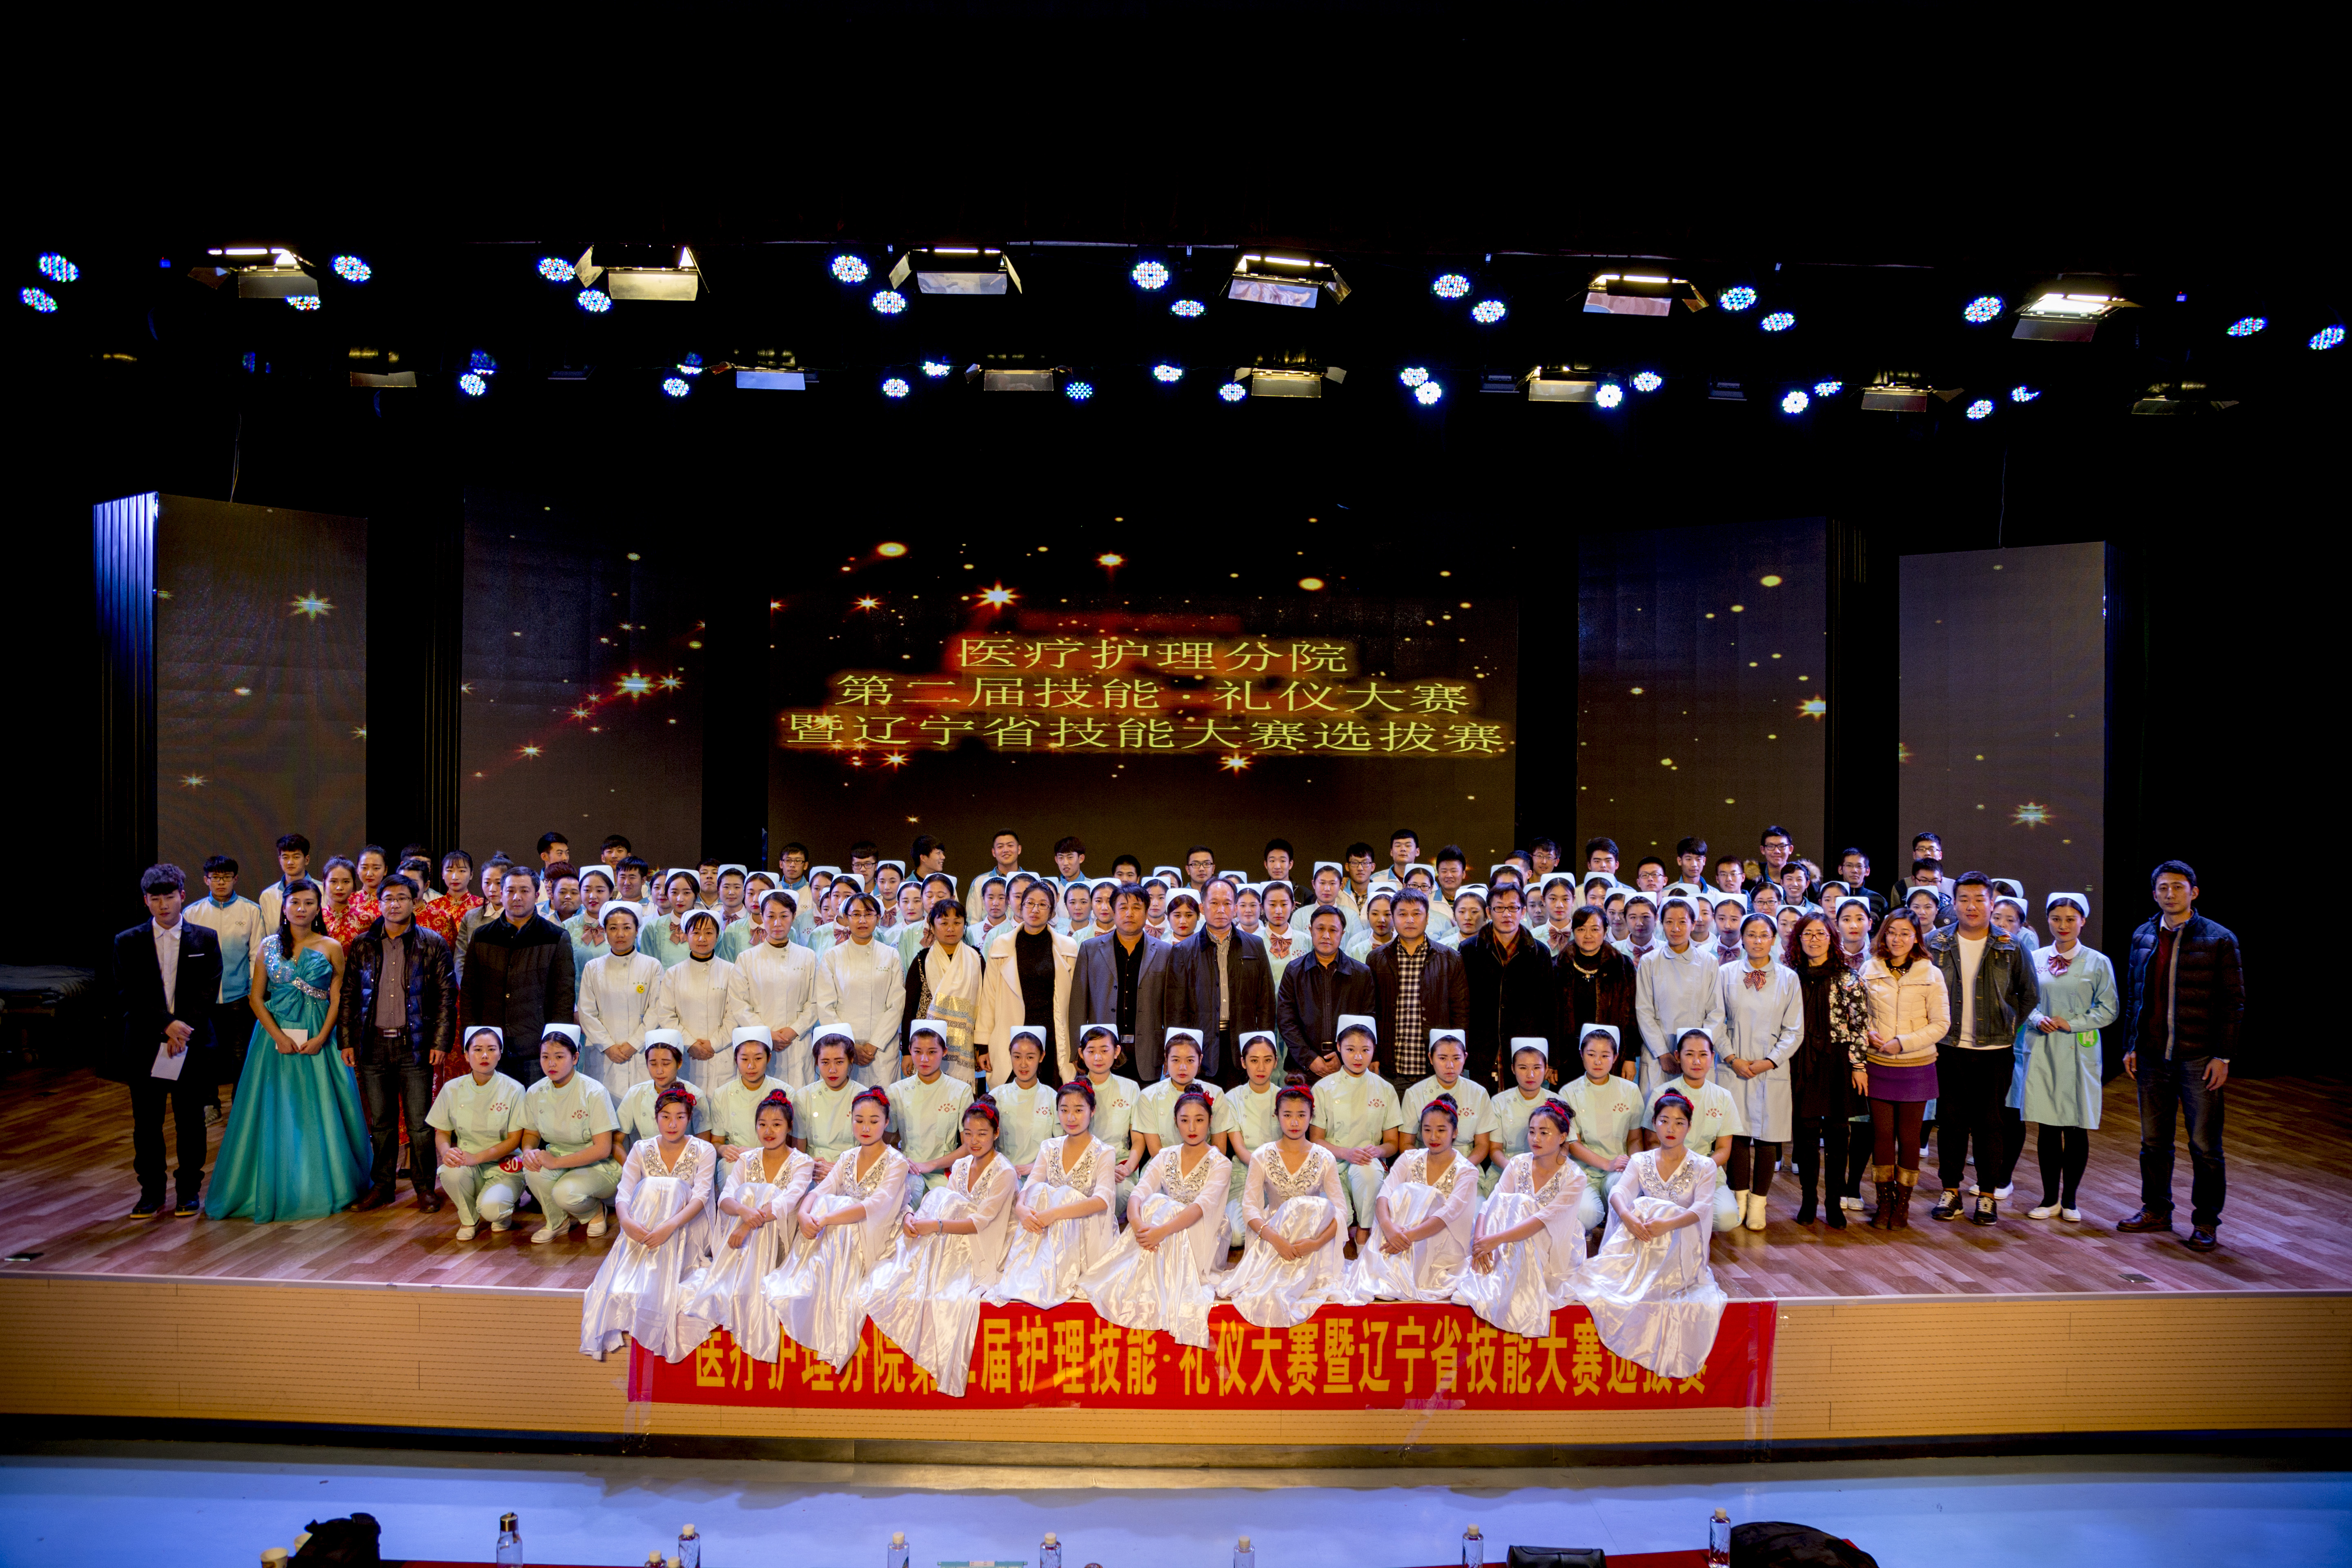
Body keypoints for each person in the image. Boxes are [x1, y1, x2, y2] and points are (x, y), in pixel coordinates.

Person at [2117, 860, 2245, 1253]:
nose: (2170, 894)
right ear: (2154, 893)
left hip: (2198, 1057)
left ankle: (2206, 1221)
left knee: (2205, 1146)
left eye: (2177, 887)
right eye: (2163, 888)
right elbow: (2135, 996)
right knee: (2154, 1141)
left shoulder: (2219, 939)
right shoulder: (2143, 935)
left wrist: (2223, 1056)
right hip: (2152, 1055)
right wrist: (2131, 1045)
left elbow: (2233, 1003)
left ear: (2194, 892)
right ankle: (2156, 1209)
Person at [864, 1100, 1019, 1397]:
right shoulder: (960, 1166)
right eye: (968, 1134)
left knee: (942, 1203)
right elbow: (950, 1205)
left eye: (982, 1134)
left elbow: (980, 1223)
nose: (974, 1141)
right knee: (939, 1198)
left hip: (987, 1240)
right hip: (952, 1234)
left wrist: (935, 1225)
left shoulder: (1005, 1172)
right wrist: (922, 1220)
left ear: (996, 1134)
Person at [1576, 1089, 1729, 1379]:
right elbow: (1619, 1192)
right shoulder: (1641, 1161)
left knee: (1660, 1209)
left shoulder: (1704, 1165)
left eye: (1679, 1123)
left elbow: (1701, 1209)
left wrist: (1668, 1225)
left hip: (1680, 1241)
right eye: (1664, 1121)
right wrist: (1627, 1216)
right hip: (1645, 1237)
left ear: (1689, 1127)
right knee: (1640, 1207)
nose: (1671, 1129)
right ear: (1654, 1124)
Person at [110, 864, 227, 1218]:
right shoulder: (127, 941)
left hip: (192, 1044)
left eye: (170, 897)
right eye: (156, 899)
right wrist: (167, 1025)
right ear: (146, 901)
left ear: (183, 897)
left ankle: (189, 1191)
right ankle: (151, 1192)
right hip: (145, 1044)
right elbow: (127, 994)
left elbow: (209, 989)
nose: (164, 905)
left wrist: (183, 1029)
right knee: (147, 1124)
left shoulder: (205, 938)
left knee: (191, 1121)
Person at [1923, 873, 2039, 1225]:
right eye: (1964, 899)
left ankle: (1987, 1194)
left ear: (1992, 903)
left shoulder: (2011, 945)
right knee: (1951, 1122)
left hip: (1996, 1049)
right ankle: (1950, 1191)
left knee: (1991, 1123)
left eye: (1979, 900)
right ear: (1954, 903)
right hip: (1949, 1046)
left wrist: (2007, 1025)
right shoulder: (1935, 942)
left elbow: (2030, 993)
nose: (1971, 907)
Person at [765, 1086, 909, 1370]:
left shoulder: (897, 1162)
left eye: (874, 1121)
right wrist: (804, 1214)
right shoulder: (848, 1157)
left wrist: (826, 1219)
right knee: (825, 1203)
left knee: (835, 1210)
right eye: (859, 1120)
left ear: (886, 1122)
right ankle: (813, 1283)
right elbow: (821, 1190)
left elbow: (875, 1206)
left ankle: (830, 1296)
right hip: (840, 1230)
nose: (865, 1128)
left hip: (874, 1230)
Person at [1077, 1087, 1232, 1349]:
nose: (1192, 1127)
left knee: (1163, 1206)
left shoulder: (1221, 1163)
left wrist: (1160, 1232)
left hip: (1201, 1232)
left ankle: (1151, 1288)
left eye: (1199, 1120)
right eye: (1185, 1120)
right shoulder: (1165, 1156)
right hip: (1157, 1234)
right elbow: (1138, 1194)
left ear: (1210, 1121)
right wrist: (1138, 1226)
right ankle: (1146, 1285)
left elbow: (1200, 1208)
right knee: (1154, 1203)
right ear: (1175, 1122)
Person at [338, 873, 456, 1213]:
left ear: (414, 902)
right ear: (379, 903)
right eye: (388, 898)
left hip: (414, 1046)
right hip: (373, 1045)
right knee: (381, 1124)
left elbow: (447, 997)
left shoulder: (432, 943)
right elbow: (349, 996)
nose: (395, 904)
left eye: (402, 898)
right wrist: (347, 1040)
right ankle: (383, 1187)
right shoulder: (363, 944)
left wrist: (441, 1042)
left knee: (420, 1124)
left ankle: (425, 1188)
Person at [580, 1085, 714, 1364]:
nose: (672, 1124)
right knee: (650, 1187)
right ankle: (639, 1265)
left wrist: (669, 1227)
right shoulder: (641, 1149)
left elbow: (701, 1197)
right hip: (645, 1227)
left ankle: (661, 1272)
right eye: (666, 1117)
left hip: (687, 1227)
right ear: (656, 1118)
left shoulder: (705, 1149)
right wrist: (626, 1222)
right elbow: (625, 1193)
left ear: (689, 1118)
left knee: (673, 1187)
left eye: (680, 1117)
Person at [677, 1089, 813, 1365]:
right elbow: (726, 1199)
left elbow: (787, 1202)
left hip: (781, 1240)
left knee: (766, 1193)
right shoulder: (746, 1160)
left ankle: (752, 1277)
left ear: (789, 1127)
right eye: (763, 1124)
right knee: (747, 1193)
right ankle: (738, 1277)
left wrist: (745, 1227)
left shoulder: (802, 1162)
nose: (769, 1131)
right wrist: (744, 1214)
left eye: (777, 1125)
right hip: (742, 1239)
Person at [2013, 892, 2120, 1223]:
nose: (2063, 925)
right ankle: (2049, 1199)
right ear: (2047, 920)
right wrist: (2036, 1019)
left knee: (2075, 1125)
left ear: (2083, 922)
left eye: (2071, 919)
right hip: (2042, 1047)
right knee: (2047, 1126)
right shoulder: (2035, 957)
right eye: (2056, 919)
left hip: (2078, 1049)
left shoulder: (2098, 962)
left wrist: (2072, 1023)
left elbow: (2109, 1009)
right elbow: (2023, 998)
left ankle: (2070, 1199)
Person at [1219, 1080, 1354, 1328]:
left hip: (1311, 1238)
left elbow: (1341, 1210)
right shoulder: (1262, 1155)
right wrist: (1276, 1240)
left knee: (1320, 1210)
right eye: (1288, 1115)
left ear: (1311, 1117)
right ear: (1277, 1116)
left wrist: (1316, 1244)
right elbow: (1250, 1208)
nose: (1294, 1122)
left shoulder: (1324, 1157)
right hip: (1273, 1235)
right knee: (1266, 1293)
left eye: (1301, 1115)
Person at [1455, 1102, 1590, 1339]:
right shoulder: (1518, 1164)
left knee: (1521, 1204)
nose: (1535, 1139)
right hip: (1509, 1240)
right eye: (1532, 1131)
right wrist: (1480, 1241)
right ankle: (1487, 1279)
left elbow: (1542, 1220)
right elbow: (1490, 1204)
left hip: (1552, 1246)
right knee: (1505, 1203)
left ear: (1563, 1137)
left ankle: (1513, 1289)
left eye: (1544, 1133)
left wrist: (1495, 1240)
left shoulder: (1575, 1177)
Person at [986, 1079, 1120, 1310]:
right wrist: (1021, 1208)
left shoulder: (1104, 1152)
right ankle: (1034, 1277)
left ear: (1092, 1111)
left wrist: (1055, 1214)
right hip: (1047, 1226)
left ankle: (1059, 1277)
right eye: (1064, 1110)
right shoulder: (1050, 1147)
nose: (1071, 1118)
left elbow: (1102, 1201)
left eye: (1079, 1110)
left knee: (1065, 1195)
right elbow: (1031, 1184)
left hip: (1085, 1228)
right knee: (1038, 1192)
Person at [1856, 909, 1948, 1229]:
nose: (1897, 939)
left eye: (1905, 933)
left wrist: (1902, 1042)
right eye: (1892, 932)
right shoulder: (1869, 968)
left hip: (1916, 1065)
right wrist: (1868, 1032)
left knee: (1909, 1139)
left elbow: (1941, 1024)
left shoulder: (1931, 974)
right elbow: (1860, 1014)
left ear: (1916, 938)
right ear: (1883, 934)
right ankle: (1884, 1203)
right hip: (1878, 1063)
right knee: (1882, 1136)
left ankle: (1903, 1205)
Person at [1714, 912, 1802, 1231]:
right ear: (1742, 939)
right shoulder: (1725, 974)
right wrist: (1732, 1058)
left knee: (1768, 1137)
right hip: (1733, 1066)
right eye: (1751, 935)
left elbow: (1794, 1030)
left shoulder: (1789, 979)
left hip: (1771, 1069)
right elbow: (1715, 1020)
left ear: (1774, 940)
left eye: (1764, 935)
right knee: (1736, 1134)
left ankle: (1758, 1204)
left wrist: (1770, 1061)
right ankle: (1738, 1199)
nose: (1757, 941)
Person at [1346, 1094, 1478, 1303]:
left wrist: (1406, 1238)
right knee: (1402, 1195)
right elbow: (1384, 1196)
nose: (1433, 1137)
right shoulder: (1409, 1158)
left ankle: (1403, 1272)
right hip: (1398, 1235)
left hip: (1441, 1240)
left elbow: (1447, 1216)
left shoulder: (1467, 1171)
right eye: (1427, 1130)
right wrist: (1390, 1229)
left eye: (1441, 1130)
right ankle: (1390, 1272)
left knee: (1428, 1199)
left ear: (1455, 1133)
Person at [1783, 912, 1869, 1229]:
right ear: (1798, 940)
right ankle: (1808, 1200)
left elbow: (1860, 1025)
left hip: (1838, 1059)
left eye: (1821, 934)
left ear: (1832, 938)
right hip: (1800, 1059)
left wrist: (1859, 1065)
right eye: (1808, 934)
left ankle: (1834, 1202)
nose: (1814, 940)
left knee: (1838, 1134)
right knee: (1805, 1133)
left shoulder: (1849, 978)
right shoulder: (1789, 976)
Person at [461, 864, 577, 1087]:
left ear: (537, 895)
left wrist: (556, 1046)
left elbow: (563, 998)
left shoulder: (555, 937)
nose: (517, 897)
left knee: (537, 1108)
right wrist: (471, 1038)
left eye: (524, 891)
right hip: (491, 1046)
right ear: (501, 894)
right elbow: (469, 993)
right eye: (511, 891)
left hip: (537, 1048)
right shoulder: (482, 936)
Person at [1160, 878, 1274, 1089]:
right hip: (1201, 1047)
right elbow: (1175, 1011)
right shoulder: (1183, 950)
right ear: (1203, 908)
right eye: (1214, 903)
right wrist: (1180, 1052)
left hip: (1243, 1044)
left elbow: (1266, 1002)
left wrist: (1264, 1046)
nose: (1221, 909)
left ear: (1235, 908)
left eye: (1227, 903)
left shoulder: (1255, 945)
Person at [516, 1029, 622, 1243]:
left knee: (565, 1193)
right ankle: (557, 1222)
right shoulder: (535, 1092)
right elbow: (531, 1133)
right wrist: (528, 1152)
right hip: (557, 1157)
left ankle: (594, 1213)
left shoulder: (593, 1092)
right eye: (545, 1057)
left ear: (575, 1058)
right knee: (533, 1171)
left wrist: (556, 1163)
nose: (551, 1064)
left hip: (596, 1165)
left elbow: (603, 1149)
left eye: (559, 1057)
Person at [1310, 1018, 1403, 1252]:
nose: (1358, 1057)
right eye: (1351, 1050)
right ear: (1339, 1048)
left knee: (1369, 1172)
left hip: (1366, 1161)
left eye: (1365, 1050)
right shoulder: (1323, 1088)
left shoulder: (1385, 1089)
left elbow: (1393, 1143)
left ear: (1374, 1050)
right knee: (1335, 1220)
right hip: (1331, 1161)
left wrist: (1378, 1150)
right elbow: (1316, 1139)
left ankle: (1364, 1230)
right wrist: (1346, 1153)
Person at [425, 1025, 528, 1239]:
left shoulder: (514, 1089)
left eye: (491, 1049)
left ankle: (500, 1211)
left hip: (504, 1166)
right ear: (466, 1055)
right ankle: (469, 1219)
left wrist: (477, 1158)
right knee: (449, 1171)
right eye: (478, 1050)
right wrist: (446, 1152)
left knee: (492, 1210)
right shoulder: (452, 1089)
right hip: (467, 1163)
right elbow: (442, 1132)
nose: (485, 1056)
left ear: (500, 1053)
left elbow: (514, 1140)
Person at [182, 855, 263, 1117]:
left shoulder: (251, 911)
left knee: (240, 1055)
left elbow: (256, 955)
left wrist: (253, 991)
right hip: (203, 999)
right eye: (215, 877)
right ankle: (210, 1104)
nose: (221, 882)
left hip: (239, 996)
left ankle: (240, 1105)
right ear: (206, 880)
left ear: (235, 879)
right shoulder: (192, 913)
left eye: (226, 877)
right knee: (206, 1055)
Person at [1643, 1029, 1743, 1233]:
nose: (1697, 1061)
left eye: (1703, 1055)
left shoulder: (1723, 1097)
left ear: (1712, 1057)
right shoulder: (1662, 1093)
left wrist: (1700, 1169)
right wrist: (1673, 1168)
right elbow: (1652, 1142)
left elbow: (1724, 1149)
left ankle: (1689, 1225)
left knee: (1727, 1219)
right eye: (1689, 1054)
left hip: (1705, 1170)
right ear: (1678, 1056)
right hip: (1666, 1170)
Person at [1365, 889, 1467, 1087]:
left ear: (1427, 918)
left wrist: (1456, 1056)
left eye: (1417, 914)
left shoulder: (1450, 959)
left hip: (1436, 1068)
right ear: (1393, 918)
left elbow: (1461, 1012)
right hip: (1390, 1067)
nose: (1410, 920)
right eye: (1403, 914)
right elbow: (1370, 1011)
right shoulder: (1377, 959)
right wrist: (1374, 1055)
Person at [649, 908, 757, 1098]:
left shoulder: (731, 971)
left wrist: (714, 1044)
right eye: (696, 933)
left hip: (722, 1054)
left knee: (723, 1104)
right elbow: (666, 1015)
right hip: (687, 1055)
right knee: (687, 1105)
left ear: (718, 936)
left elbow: (735, 1013)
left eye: (709, 933)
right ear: (686, 935)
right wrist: (690, 1044)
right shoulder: (674, 974)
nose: (702, 939)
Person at [1459, 883, 1555, 1089]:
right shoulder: (1469, 950)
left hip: (1526, 1049)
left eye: (1513, 908)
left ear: (1523, 912)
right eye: (1499, 908)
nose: (1507, 914)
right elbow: (1462, 1004)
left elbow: (1548, 1008)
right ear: (1489, 912)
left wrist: (1550, 1054)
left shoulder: (1540, 952)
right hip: (1482, 1048)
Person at [1275, 904, 1376, 1080]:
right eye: (1320, 929)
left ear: (1342, 934)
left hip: (1349, 1067)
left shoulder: (1362, 974)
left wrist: (1343, 1056)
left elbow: (1368, 1020)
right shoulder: (1294, 971)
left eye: (1333, 930)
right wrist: (1310, 1059)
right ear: (1311, 930)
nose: (1326, 936)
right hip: (1302, 1069)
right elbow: (1286, 1021)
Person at [1635, 900, 1726, 1095]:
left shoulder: (1709, 962)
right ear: (1661, 924)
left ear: (1693, 924)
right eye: (1669, 922)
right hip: (1658, 1053)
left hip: (1697, 1057)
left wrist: (1697, 1052)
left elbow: (1716, 1012)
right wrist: (1662, 1053)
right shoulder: (1649, 961)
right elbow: (1644, 1011)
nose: (1675, 929)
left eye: (1683, 922)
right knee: (1657, 1108)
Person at [579, 901, 666, 1102]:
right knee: (604, 1109)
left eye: (627, 928)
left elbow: (657, 1009)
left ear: (637, 931)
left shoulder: (652, 966)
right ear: (605, 932)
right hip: (603, 1054)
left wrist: (634, 1044)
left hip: (640, 1052)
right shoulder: (593, 968)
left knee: (643, 1108)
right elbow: (586, 1013)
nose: (620, 934)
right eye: (613, 928)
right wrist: (608, 1046)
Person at [735, 891, 820, 1087]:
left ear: (794, 917)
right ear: (762, 917)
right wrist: (766, 1034)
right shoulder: (747, 959)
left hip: (798, 1042)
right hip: (760, 1044)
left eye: (784, 916)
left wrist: (794, 1030)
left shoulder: (808, 957)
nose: (777, 923)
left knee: (799, 1097)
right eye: (771, 916)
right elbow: (739, 1005)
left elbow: (816, 1001)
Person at [1561, 1025, 1641, 1226]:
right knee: (1587, 1217)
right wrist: (1607, 1164)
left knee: (1629, 1199)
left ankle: (1612, 1224)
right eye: (1591, 1054)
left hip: (1618, 1169)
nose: (1598, 1061)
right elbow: (1573, 1144)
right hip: (1583, 1171)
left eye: (1605, 1056)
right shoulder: (1568, 1093)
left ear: (1615, 1058)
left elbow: (1635, 1138)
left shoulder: (1630, 1091)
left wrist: (1634, 1166)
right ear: (1581, 1054)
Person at [887, 1022, 976, 1199]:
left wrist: (931, 1165)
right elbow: (886, 1142)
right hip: (908, 1170)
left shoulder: (961, 1091)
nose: (924, 1059)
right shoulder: (897, 1091)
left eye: (932, 1052)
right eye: (918, 1052)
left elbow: (969, 1146)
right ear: (909, 1051)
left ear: (944, 1052)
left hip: (946, 1174)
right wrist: (903, 1162)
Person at [902, 897, 985, 1083]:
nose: (951, 929)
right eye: (944, 923)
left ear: (964, 925)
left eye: (957, 923)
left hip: (967, 1045)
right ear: (932, 926)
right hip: (927, 1045)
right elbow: (910, 1009)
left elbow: (986, 1005)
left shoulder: (976, 959)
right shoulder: (922, 961)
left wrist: (983, 1048)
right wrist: (907, 1052)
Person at [1559, 906, 1641, 1086]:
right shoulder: (1559, 966)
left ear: (1605, 931)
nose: (1588, 935)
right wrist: (1553, 1061)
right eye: (1581, 929)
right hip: (1568, 1057)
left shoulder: (1622, 966)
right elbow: (1550, 1018)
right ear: (1573, 932)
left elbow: (1632, 1015)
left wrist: (1629, 1058)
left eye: (1595, 929)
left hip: (1610, 1055)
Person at [1401, 1031, 1495, 1178]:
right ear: (1431, 1058)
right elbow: (1406, 1144)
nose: (1450, 1066)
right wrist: (1427, 1167)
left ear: (1465, 1058)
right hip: (1425, 1165)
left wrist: (1461, 1168)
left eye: (1457, 1058)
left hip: (1466, 1165)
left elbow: (1483, 1145)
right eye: (1443, 1058)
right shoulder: (1414, 1093)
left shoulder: (1479, 1093)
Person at [707, 1029, 794, 1168]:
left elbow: (790, 1143)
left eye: (758, 1059)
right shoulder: (722, 1094)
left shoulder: (786, 1092)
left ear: (769, 1058)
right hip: (737, 1160)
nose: (751, 1066)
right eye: (744, 1059)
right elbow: (717, 1142)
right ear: (736, 1059)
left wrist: (758, 1153)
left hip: (775, 1160)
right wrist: (723, 1149)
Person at [615, 1037, 709, 1157]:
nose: (659, 1071)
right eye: (653, 1064)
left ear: (679, 1063)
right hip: (644, 1162)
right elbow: (616, 1142)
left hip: (686, 1161)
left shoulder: (695, 1094)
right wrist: (631, 1167)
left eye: (666, 1064)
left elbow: (704, 1144)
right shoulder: (636, 1094)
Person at [792, 1027, 864, 1178]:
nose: (832, 1070)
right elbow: (798, 1153)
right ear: (817, 1062)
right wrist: (809, 1166)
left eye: (839, 1062)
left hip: (853, 1173)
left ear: (851, 1059)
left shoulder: (864, 1097)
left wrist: (841, 1170)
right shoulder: (804, 1097)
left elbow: (870, 1152)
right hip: (814, 1173)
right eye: (825, 1063)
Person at [987, 1028, 1058, 1178]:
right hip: (1001, 1175)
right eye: (1017, 1057)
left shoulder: (1053, 1098)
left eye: (1030, 1057)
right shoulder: (996, 1097)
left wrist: (1035, 1167)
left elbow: (1062, 1145)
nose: (1023, 1064)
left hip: (1041, 1176)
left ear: (1042, 1056)